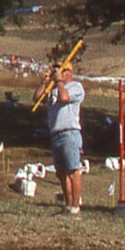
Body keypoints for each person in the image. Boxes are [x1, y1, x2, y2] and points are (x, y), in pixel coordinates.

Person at [41, 62, 85, 215]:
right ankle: (68, 205)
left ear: (68, 72)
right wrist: (45, 82)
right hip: (56, 133)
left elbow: (65, 97)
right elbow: (37, 98)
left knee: (73, 170)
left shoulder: (75, 87)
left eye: (61, 70)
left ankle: (75, 206)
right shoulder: (53, 89)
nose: (57, 72)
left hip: (70, 132)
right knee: (61, 172)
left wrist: (59, 81)